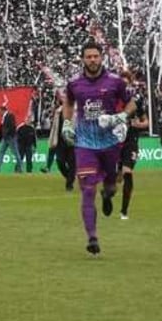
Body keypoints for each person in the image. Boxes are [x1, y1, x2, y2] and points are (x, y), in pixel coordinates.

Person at [62, 41, 134, 256]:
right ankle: (92, 237)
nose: (92, 60)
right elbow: (68, 103)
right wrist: (67, 123)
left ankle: (108, 194)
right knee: (87, 189)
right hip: (84, 143)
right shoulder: (74, 83)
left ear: (102, 57)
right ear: (82, 59)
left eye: (96, 56)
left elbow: (132, 103)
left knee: (111, 186)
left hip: (110, 143)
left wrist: (121, 116)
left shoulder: (115, 81)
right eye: (88, 57)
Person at [118, 88, 149, 220]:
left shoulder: (137, 104)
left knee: (128, 173)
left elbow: (146, 122)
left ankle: (124, 211)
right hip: (115, 143)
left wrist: (138, 125)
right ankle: (107, 195)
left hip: (131, 143)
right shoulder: (112, 102)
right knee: (115, 181)